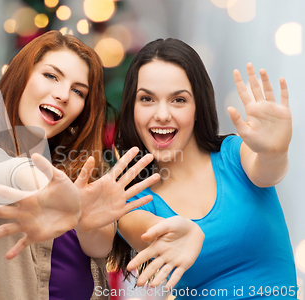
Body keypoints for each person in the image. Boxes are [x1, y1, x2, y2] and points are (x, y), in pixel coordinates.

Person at [0, 30, 159, 300]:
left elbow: (99, 248)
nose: (64, 95)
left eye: (78, 91)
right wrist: (58, 195)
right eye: (51, 76)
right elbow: (9, 174)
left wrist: (82, 215)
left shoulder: (84, 171)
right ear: (21, 77)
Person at [108, 38, 296, 298]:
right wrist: (177, 233)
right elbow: (147, 231)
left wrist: (275, 152)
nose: (162, 114)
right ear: (132, 108)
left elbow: (268, 170)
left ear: (198, 107)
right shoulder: (133, 196)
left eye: (178, 100)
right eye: (147, 99)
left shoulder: (233, 154)